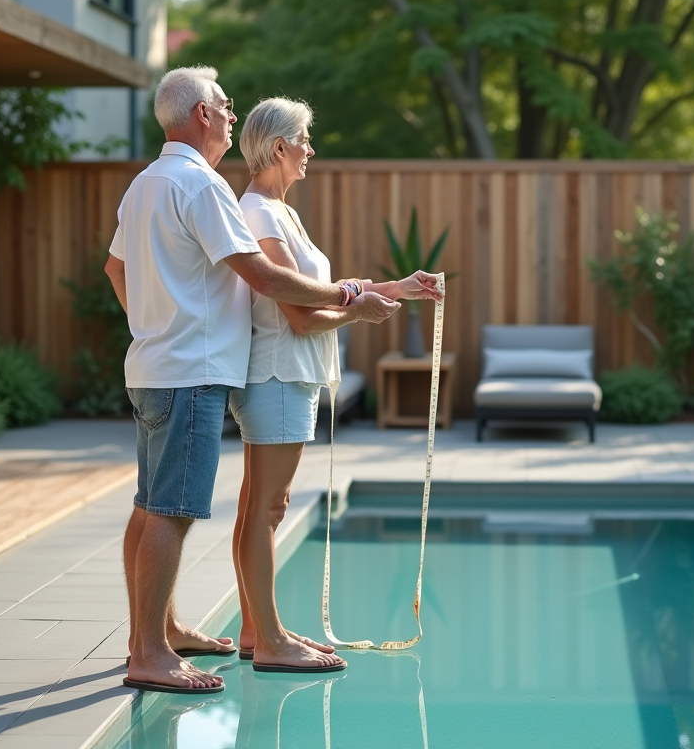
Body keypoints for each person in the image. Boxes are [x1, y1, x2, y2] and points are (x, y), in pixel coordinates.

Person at [104, 67, 417, 694]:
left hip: (155, 364)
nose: (229, 114)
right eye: (222, 106)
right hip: (190, 371)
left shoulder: (146, 183)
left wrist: (154, 323)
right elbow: (269, 282)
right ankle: (151, 654)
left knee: (149, 507)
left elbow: (116, 269)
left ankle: (159, 636)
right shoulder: (202, 186)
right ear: (199, 115)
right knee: (172, 511)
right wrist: (352, 295)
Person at [230, 97, 442, 673]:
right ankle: (270, 641)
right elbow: (298, 312)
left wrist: (395, 288)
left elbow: (326, 287)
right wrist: (361, 315)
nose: (310, 151)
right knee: (267, 509)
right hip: (277, 372)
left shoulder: (279, 211)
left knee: (259, 504)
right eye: (304, 140)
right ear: (279, 147)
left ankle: (257, 630)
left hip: (286, 374)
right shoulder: (262, 215)